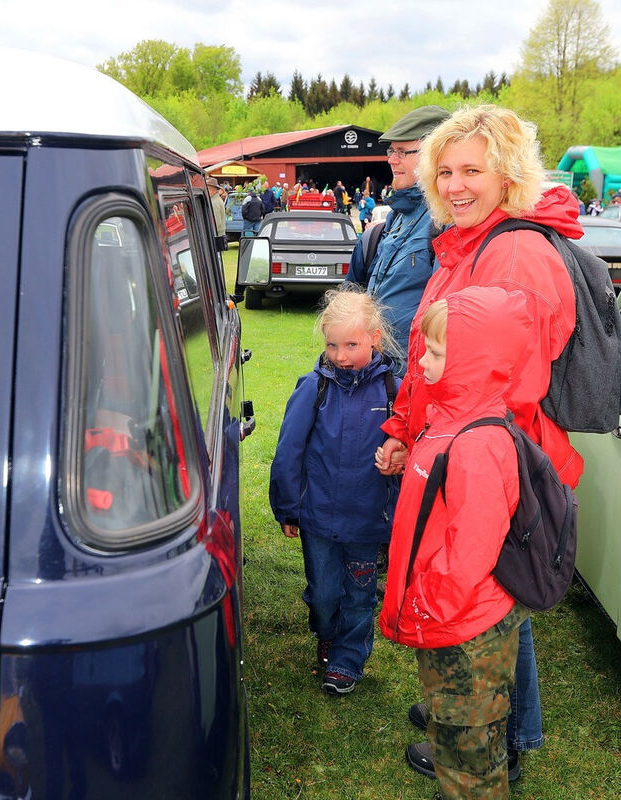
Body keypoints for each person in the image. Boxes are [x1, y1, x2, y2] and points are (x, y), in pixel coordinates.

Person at [377, 104, 584, 784]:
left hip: (487, 461)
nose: (456, 184)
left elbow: (502, 385)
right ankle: (472, 714)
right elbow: (434, 353)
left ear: (509, 175)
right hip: (457, 449)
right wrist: (410, 430)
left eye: (474, 170)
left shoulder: (515, 251)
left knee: (492, 600)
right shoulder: (466, 241)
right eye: (446, 171)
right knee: (495, 599)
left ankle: (499, 739)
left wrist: (444, 450)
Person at [379, 286, 534, 800]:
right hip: (448, 622)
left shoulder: (479, 443)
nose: (421, 358)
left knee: (472, 765)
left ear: (475, 359)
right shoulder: (448, 419)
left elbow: (469, 553)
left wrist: (425, 607)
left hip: (464, 633)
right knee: (450, 741)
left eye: (437, 352)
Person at [269, 287, 402, 695]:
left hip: (367, 521)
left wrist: (402, 451)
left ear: (375, 338)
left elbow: (414, 447)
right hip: (319, 520)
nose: (341, 356)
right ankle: (325, 630)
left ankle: (347, 661)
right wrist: (288, 508)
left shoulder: (394, 392)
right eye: (332, 345)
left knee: (360, 596)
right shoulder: (314, 388)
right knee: (326, 594)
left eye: (351, 345)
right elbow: (289, 450)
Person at [345, 105, 451, 360]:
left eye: (402, 151)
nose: (391, 159)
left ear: (432, 156)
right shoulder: (395, 219)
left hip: (413, 378)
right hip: (376, 373)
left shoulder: (447, 221)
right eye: (391, 150)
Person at [207, 176, 227, 251]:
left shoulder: (214, 202)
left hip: (216, 237)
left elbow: (216, 223)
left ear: (211, 189)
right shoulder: (215, 200)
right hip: (218, 235)